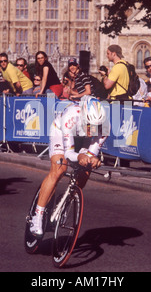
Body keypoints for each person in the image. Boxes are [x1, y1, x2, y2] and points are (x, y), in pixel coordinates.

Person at [29, 95, 108, 237]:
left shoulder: (104, 128)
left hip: (83, 140)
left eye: (97, 126)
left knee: (85, 172)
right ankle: (37, 216)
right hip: (60, 132)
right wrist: (79, 156)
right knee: (59, 168)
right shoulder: (71, 116)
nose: (94, 130)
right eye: (90, 125)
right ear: (84, 117)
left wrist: (92, 160)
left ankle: (65, 201)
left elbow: (90, 154)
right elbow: (68, 153)